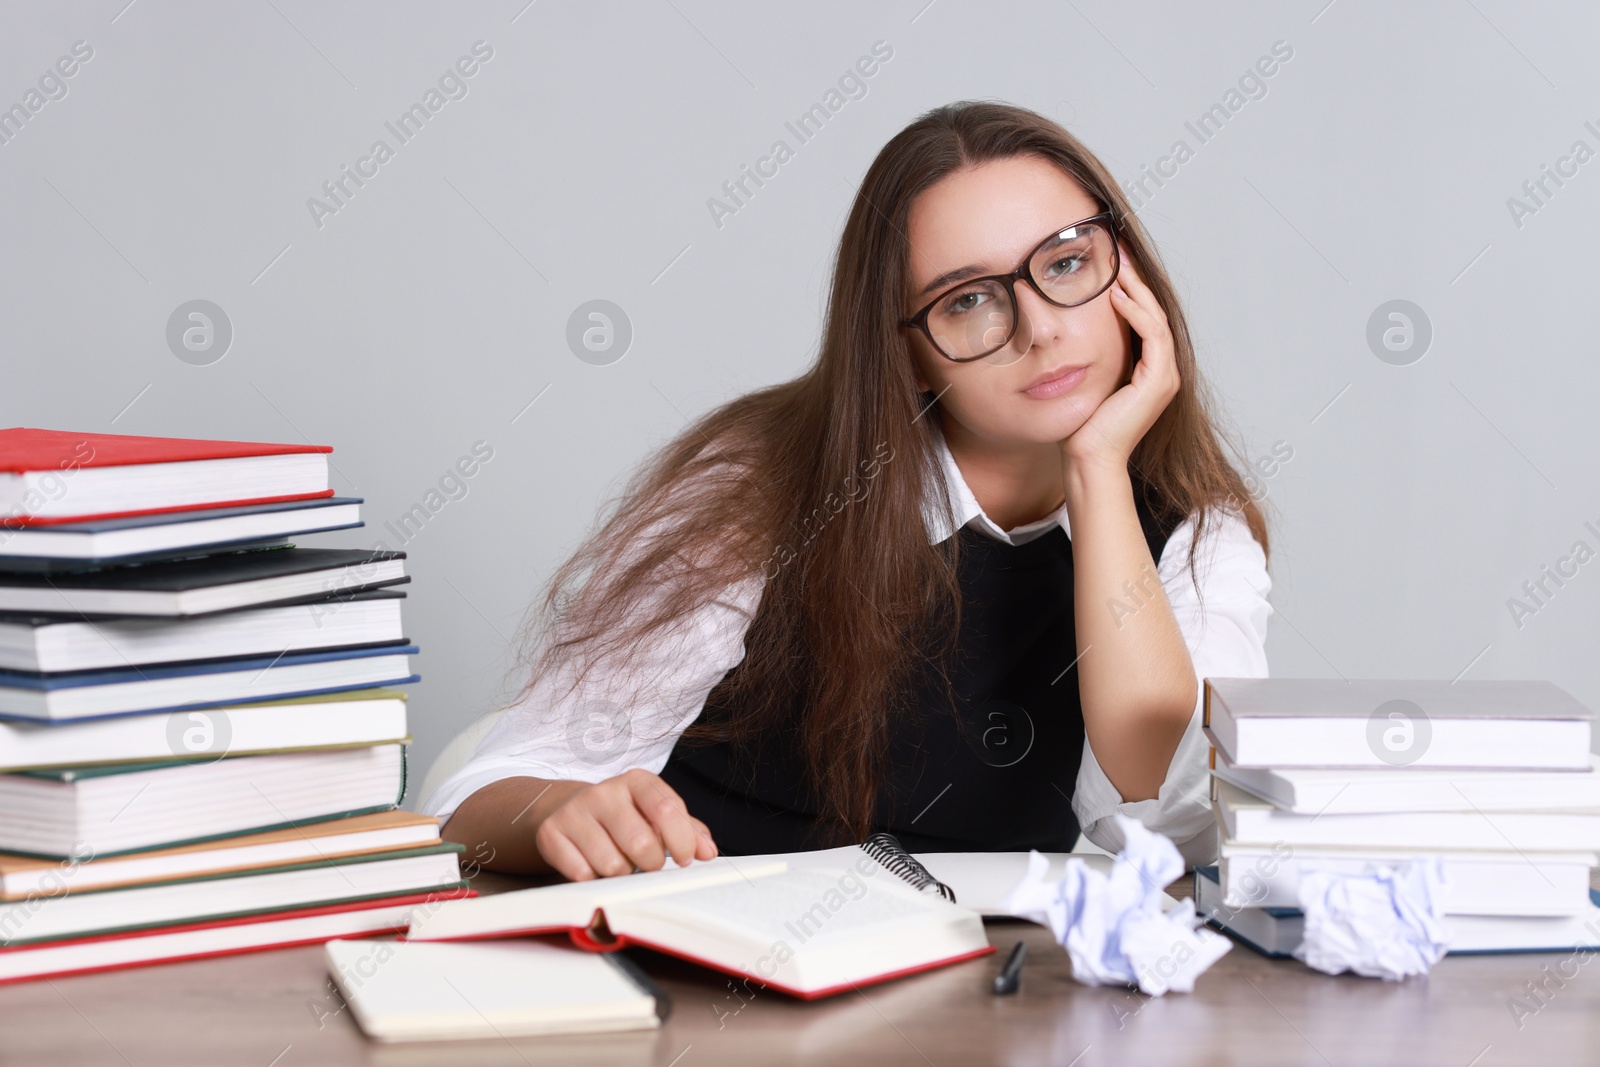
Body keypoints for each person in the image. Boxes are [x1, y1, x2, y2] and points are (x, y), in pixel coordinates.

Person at [425, 100, 1273, 881]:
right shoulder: (760, 485)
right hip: (719, 981)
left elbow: (1168, 817)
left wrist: (1098, 475)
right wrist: (560, 814)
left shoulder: (1196, 531)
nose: (1041, 327)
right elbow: (470, 798)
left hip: (974, 1004)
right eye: (969, 299)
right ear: (905, 350)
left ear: (1127, 270)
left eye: (1067, 260)